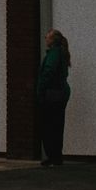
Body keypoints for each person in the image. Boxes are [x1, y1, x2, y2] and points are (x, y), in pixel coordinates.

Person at [36, 29, 72, 167]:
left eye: (48, 36)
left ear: (53, 40)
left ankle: (53, 156)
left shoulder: (54, 53)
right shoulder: (61, 52)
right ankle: (56, 156)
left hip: (52, 94)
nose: (45, 38)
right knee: (57, 125)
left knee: (48, 125)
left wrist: (40, 90)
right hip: (61, 93)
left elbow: (48, 72)